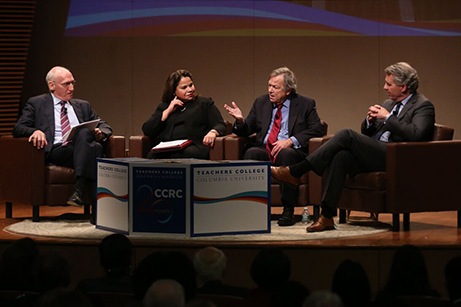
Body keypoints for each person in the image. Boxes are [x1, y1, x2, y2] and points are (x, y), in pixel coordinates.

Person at [271, 62, 435, 232]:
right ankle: (327, 216)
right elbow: (368, 132)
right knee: (340, 156)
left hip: (397, 157)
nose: (385, 87)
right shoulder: (389, 103)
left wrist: (387, 118)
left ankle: (296, 171)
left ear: (404, 87)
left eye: (389, 84)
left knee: (346, 134)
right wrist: (370, 121)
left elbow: (417, 135)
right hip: (377, 152)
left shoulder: (423, 105)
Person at [224, 67, 325, 226]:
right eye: (269, 86)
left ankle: (288, 211)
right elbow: (247, 129)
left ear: (288, 91)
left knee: (286, 154)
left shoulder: (305, 104)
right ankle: (252, 209)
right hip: (264, 149)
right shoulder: (261, 102)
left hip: (289, 151)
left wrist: (291, 140)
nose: (270, 90)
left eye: (275, 87)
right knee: (252, 153)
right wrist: (240, 121)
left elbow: (317, 128)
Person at [12, 66, 113, 211]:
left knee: (91, 142)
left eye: (73, 83)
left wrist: (100, 133)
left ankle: (79, 193)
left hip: (80, 149)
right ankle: (93, 206)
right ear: (51, 85)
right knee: (94, 147)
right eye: (66, 84)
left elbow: (105, 125)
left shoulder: (82, 105)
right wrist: (35, 131)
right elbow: (18, 128)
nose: (71, 88)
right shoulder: (37, 103)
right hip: (57, 150)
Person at [142, 69, 227, 160]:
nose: (190, 89)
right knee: (152, 155)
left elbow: (220, 124)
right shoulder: (165, 107)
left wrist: (213, 132)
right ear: (174, 91)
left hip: (194, 146)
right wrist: (167, 112)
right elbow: (147, 130)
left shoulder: (204, 103)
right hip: (168, 148)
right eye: (184, 87)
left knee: (186, 154)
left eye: (191, 85)